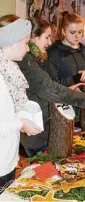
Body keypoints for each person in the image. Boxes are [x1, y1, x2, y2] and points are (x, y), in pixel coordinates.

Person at [17, 17, 85, 157]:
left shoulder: (36, 58)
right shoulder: (27, 59)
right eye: (47, 37)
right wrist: (82, 99)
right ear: (33, 37)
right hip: (34, 131)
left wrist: (71, 88)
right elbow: (48, 87)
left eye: (80, 32)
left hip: (44, 125)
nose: (50, 42)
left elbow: (48, 86)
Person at [0, 15, 41, 188]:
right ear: (10, 41)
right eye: (25, 43)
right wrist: (20, 123)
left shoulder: (10, 70)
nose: (28, 49)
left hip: (8, 157)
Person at [44, 11, 85, 124]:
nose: (77, 36)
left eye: (80, 32)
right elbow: (52, 85)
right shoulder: (53, 53)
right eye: (72, 32)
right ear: (63, 31)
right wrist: (76, 78)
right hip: (63, 110)